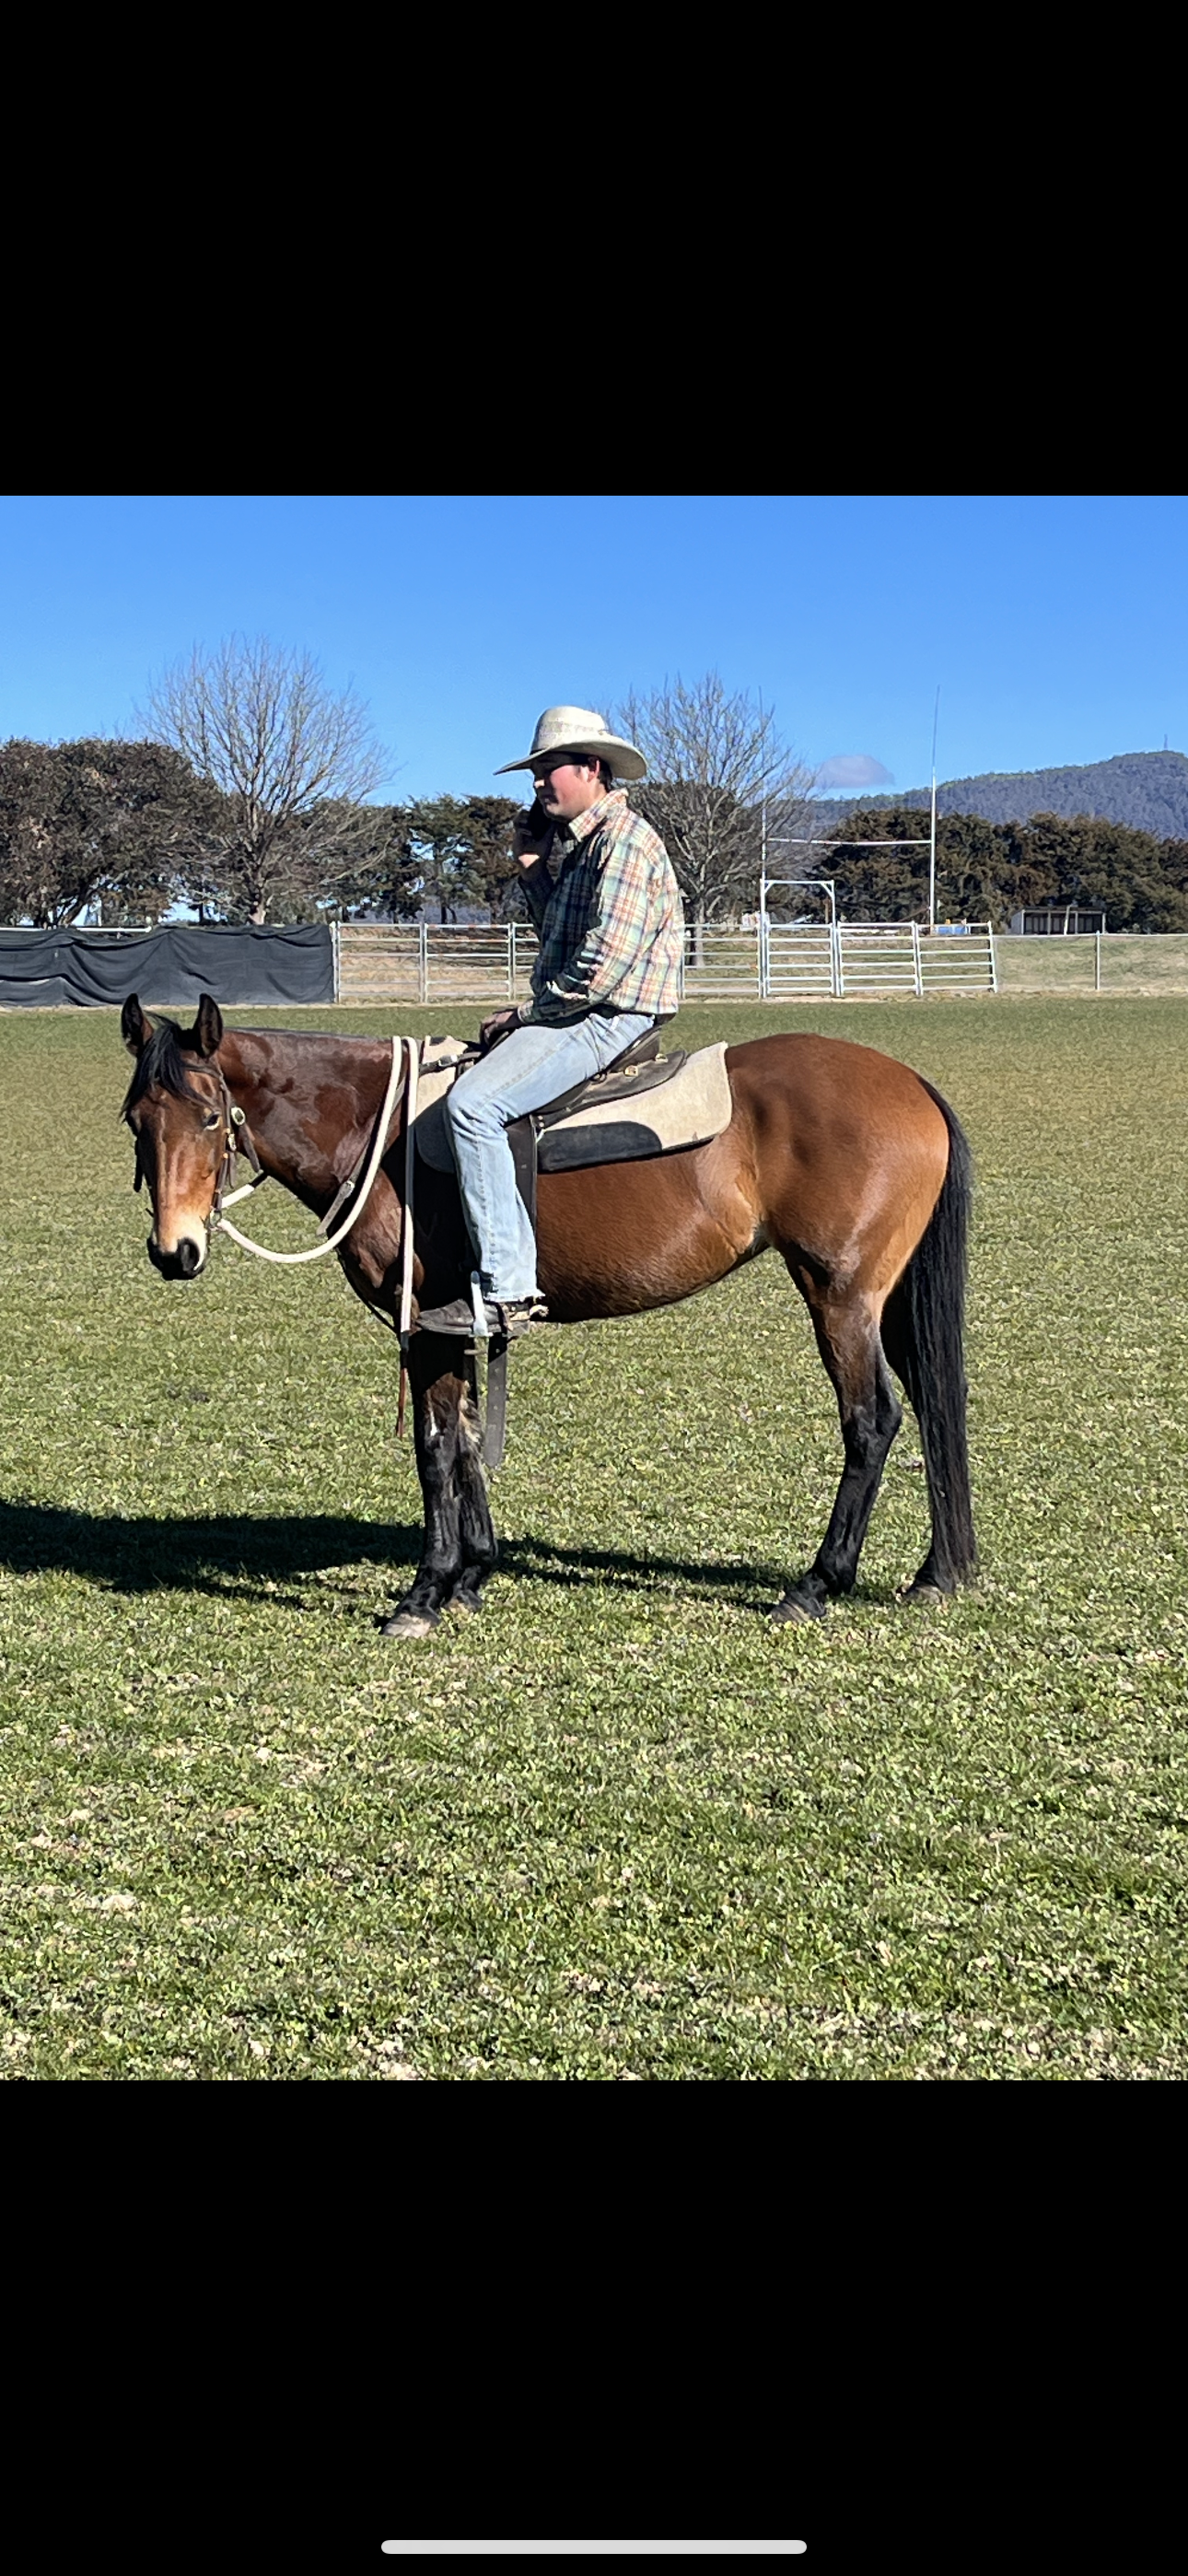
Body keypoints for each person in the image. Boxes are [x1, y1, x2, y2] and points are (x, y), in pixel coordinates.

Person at [424, 705, 684, 1338]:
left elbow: (599, 968)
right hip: (584, 1007)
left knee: (473, 1107)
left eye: (549, 769)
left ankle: (507, 1290)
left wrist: (524, 1014)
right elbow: (561, 942)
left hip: (607, 1015)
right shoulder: (585, 847)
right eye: (534, 773)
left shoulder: (624, 844)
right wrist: (535, 872)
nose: (538, 783)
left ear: (591, 768)